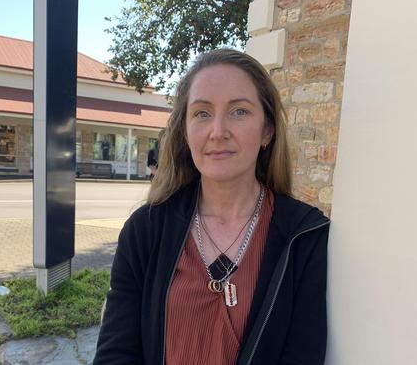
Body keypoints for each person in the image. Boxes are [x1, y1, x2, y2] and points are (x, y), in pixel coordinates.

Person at [94, 48, 330, 365]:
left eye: (239, 112)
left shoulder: (305, 236)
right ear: (185, 130)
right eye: (202, 113)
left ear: (267, 131)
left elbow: (303, 356)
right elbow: (116, 352)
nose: (218, 132)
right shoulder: (147, 230)